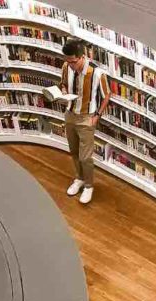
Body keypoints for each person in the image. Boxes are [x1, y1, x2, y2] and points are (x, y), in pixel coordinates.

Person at [59, 38, 111, 204]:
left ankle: (89, 185)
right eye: (67, 61)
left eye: (73, 62)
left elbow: (107, 95)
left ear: (82, 57)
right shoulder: (66, 66)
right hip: (70, 114)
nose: (70, 65)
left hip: (86, 118)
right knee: (73, 151)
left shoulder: (97, 73)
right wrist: (63, 92)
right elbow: (63, 84)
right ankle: (79, 178)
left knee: (85, 157)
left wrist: (96, 116)